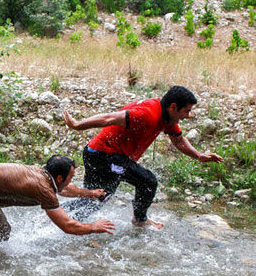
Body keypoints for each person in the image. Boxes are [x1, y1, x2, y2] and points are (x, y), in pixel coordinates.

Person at [61, 85, 223, 229]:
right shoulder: (148, 114)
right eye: (186, 110)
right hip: (105, 155)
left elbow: (179, 140)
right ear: (173, 107)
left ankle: (59, 217)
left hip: (98, 153)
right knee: (147, 181)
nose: (188, 115)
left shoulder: (167, 117)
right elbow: (109, 118)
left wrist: (200, 156)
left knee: (96, 198)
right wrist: (77, 125)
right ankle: (139, 220)